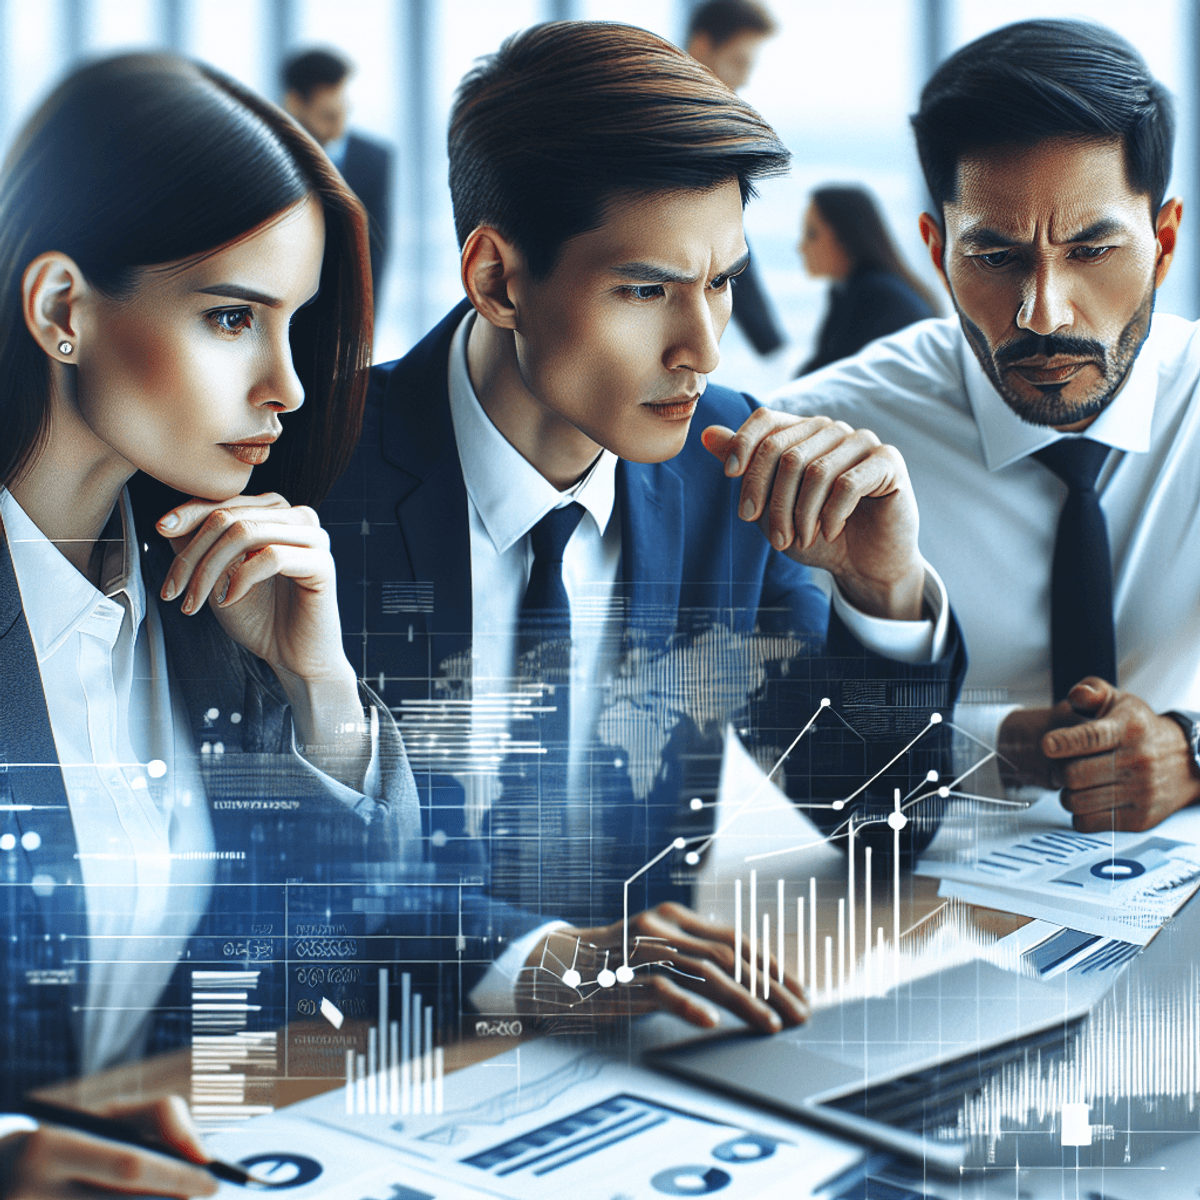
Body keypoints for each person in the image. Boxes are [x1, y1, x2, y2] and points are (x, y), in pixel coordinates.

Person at [322, 22, 964, 1041]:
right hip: (352, 1058)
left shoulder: (727, 465)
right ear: (496, 279)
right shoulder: (312, 474)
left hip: (646, 1063)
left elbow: (873, 831)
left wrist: (882, 594)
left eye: (721, 283)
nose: (700, 347)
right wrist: (532, 962)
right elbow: (256, 863)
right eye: (646, 290)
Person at [0, 53, 420, 1199]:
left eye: (296, 322)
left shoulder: (208, 601)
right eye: (233, 316)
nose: (285, 383)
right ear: (61, 310)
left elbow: (342, 964)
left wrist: (318, 696)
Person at [724, 19, 1200, 834]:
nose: (1042, 313)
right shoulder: (823, 437)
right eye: (995, 257)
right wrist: (999, 745)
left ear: (1161, 244)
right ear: (936, 250)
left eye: (1091, 251)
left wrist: (1192, 750)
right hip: (926, 915)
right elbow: (786, 747)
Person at [684, 0, 786, 357]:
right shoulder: (694, 124)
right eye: (739, 61)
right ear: (702, 46)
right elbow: (726, 237)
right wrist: (770, 342)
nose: (745, 78)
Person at [283, 48, 393, 310]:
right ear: (295, 103)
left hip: (350, 309)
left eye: (344, 113)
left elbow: (376, 250)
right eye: (328, 116)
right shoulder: (265, 153)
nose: (338, 129)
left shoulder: (375, 159)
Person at [796, 185, 938, 375]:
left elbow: (830, 375)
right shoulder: (854, 290)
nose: (801, 247)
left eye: (811, 234)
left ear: (844, 236)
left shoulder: (875, 295)